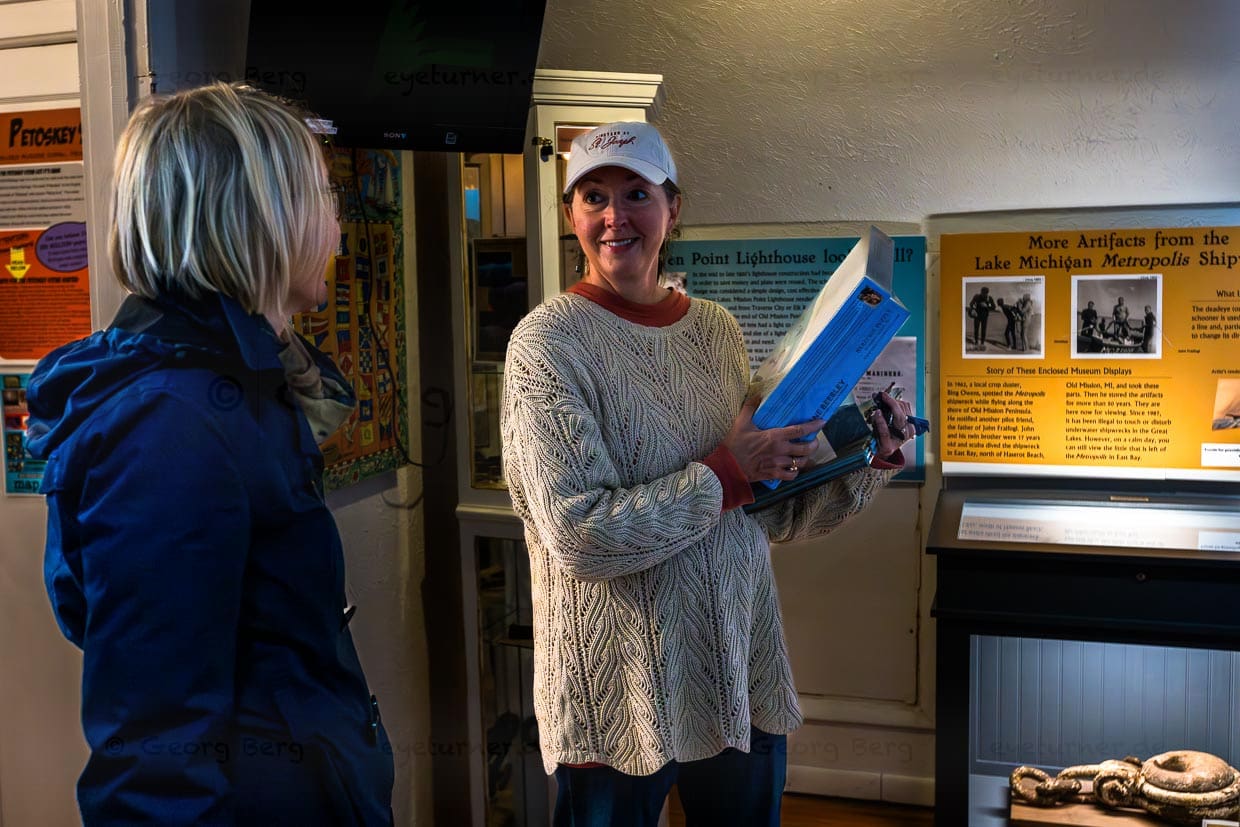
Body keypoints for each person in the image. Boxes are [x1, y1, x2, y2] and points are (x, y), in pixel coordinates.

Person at [499, 121, 920, 826]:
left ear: (672, 207)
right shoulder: (546, 344)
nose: (614, 216)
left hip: (733, 672)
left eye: (636, 193)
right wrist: (726, 473)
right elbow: (579, 536)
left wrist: (864, 463)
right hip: (617, 696)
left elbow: (770, 509)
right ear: (571, 213)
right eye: (593, 196)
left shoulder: (717, 331)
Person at [25, 83, 394, 825]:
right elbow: (152, 762)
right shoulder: (172, 423)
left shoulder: (235, 379)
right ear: (256, 214)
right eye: (321, 196)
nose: (336, 226)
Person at [968, 286, 995, 350]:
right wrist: (973, 310)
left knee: (983, 329)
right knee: (976, 329)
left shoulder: (989, 298)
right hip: (977, 316)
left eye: (985, 293)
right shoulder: (976, 296)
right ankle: (976, 341)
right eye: (982, 293)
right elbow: (971, 304)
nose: (984, 295)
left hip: (985, 316)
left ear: (987, 293)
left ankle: (982, 343)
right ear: (981, 292)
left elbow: (994, 307)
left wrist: (987, 306)